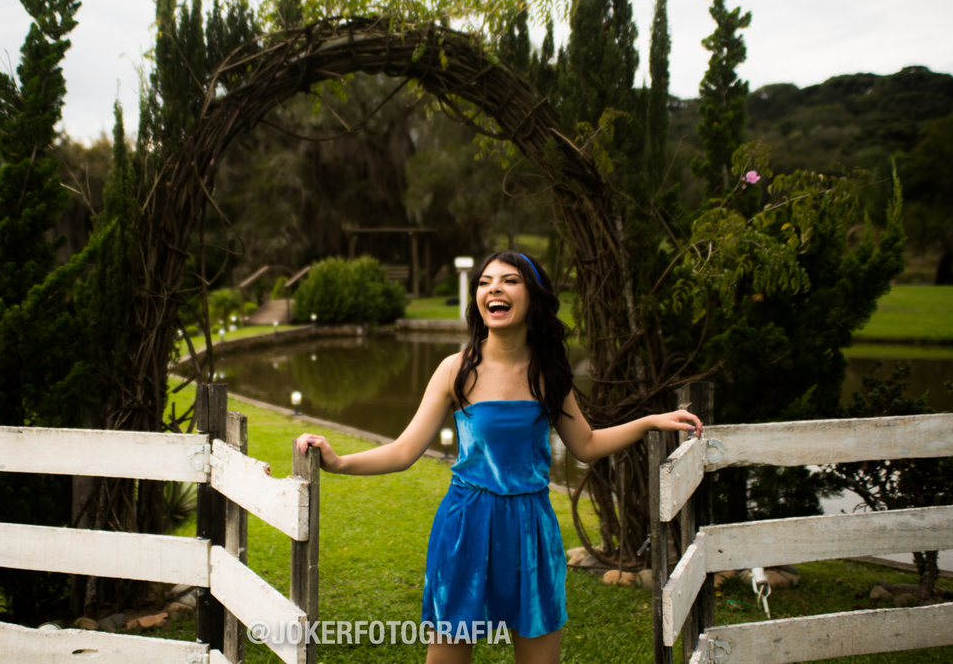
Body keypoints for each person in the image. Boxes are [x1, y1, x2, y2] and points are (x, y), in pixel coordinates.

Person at [296, 251, 703, 664]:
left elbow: (586, 445)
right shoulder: (456, 370)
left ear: (532, 296)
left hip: (531, 531)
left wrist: (649, 421)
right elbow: (404, 451)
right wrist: (339, 461)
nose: (494, 288)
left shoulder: (550, 374)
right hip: (465, 528)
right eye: (485, 281)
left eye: (510, 280)